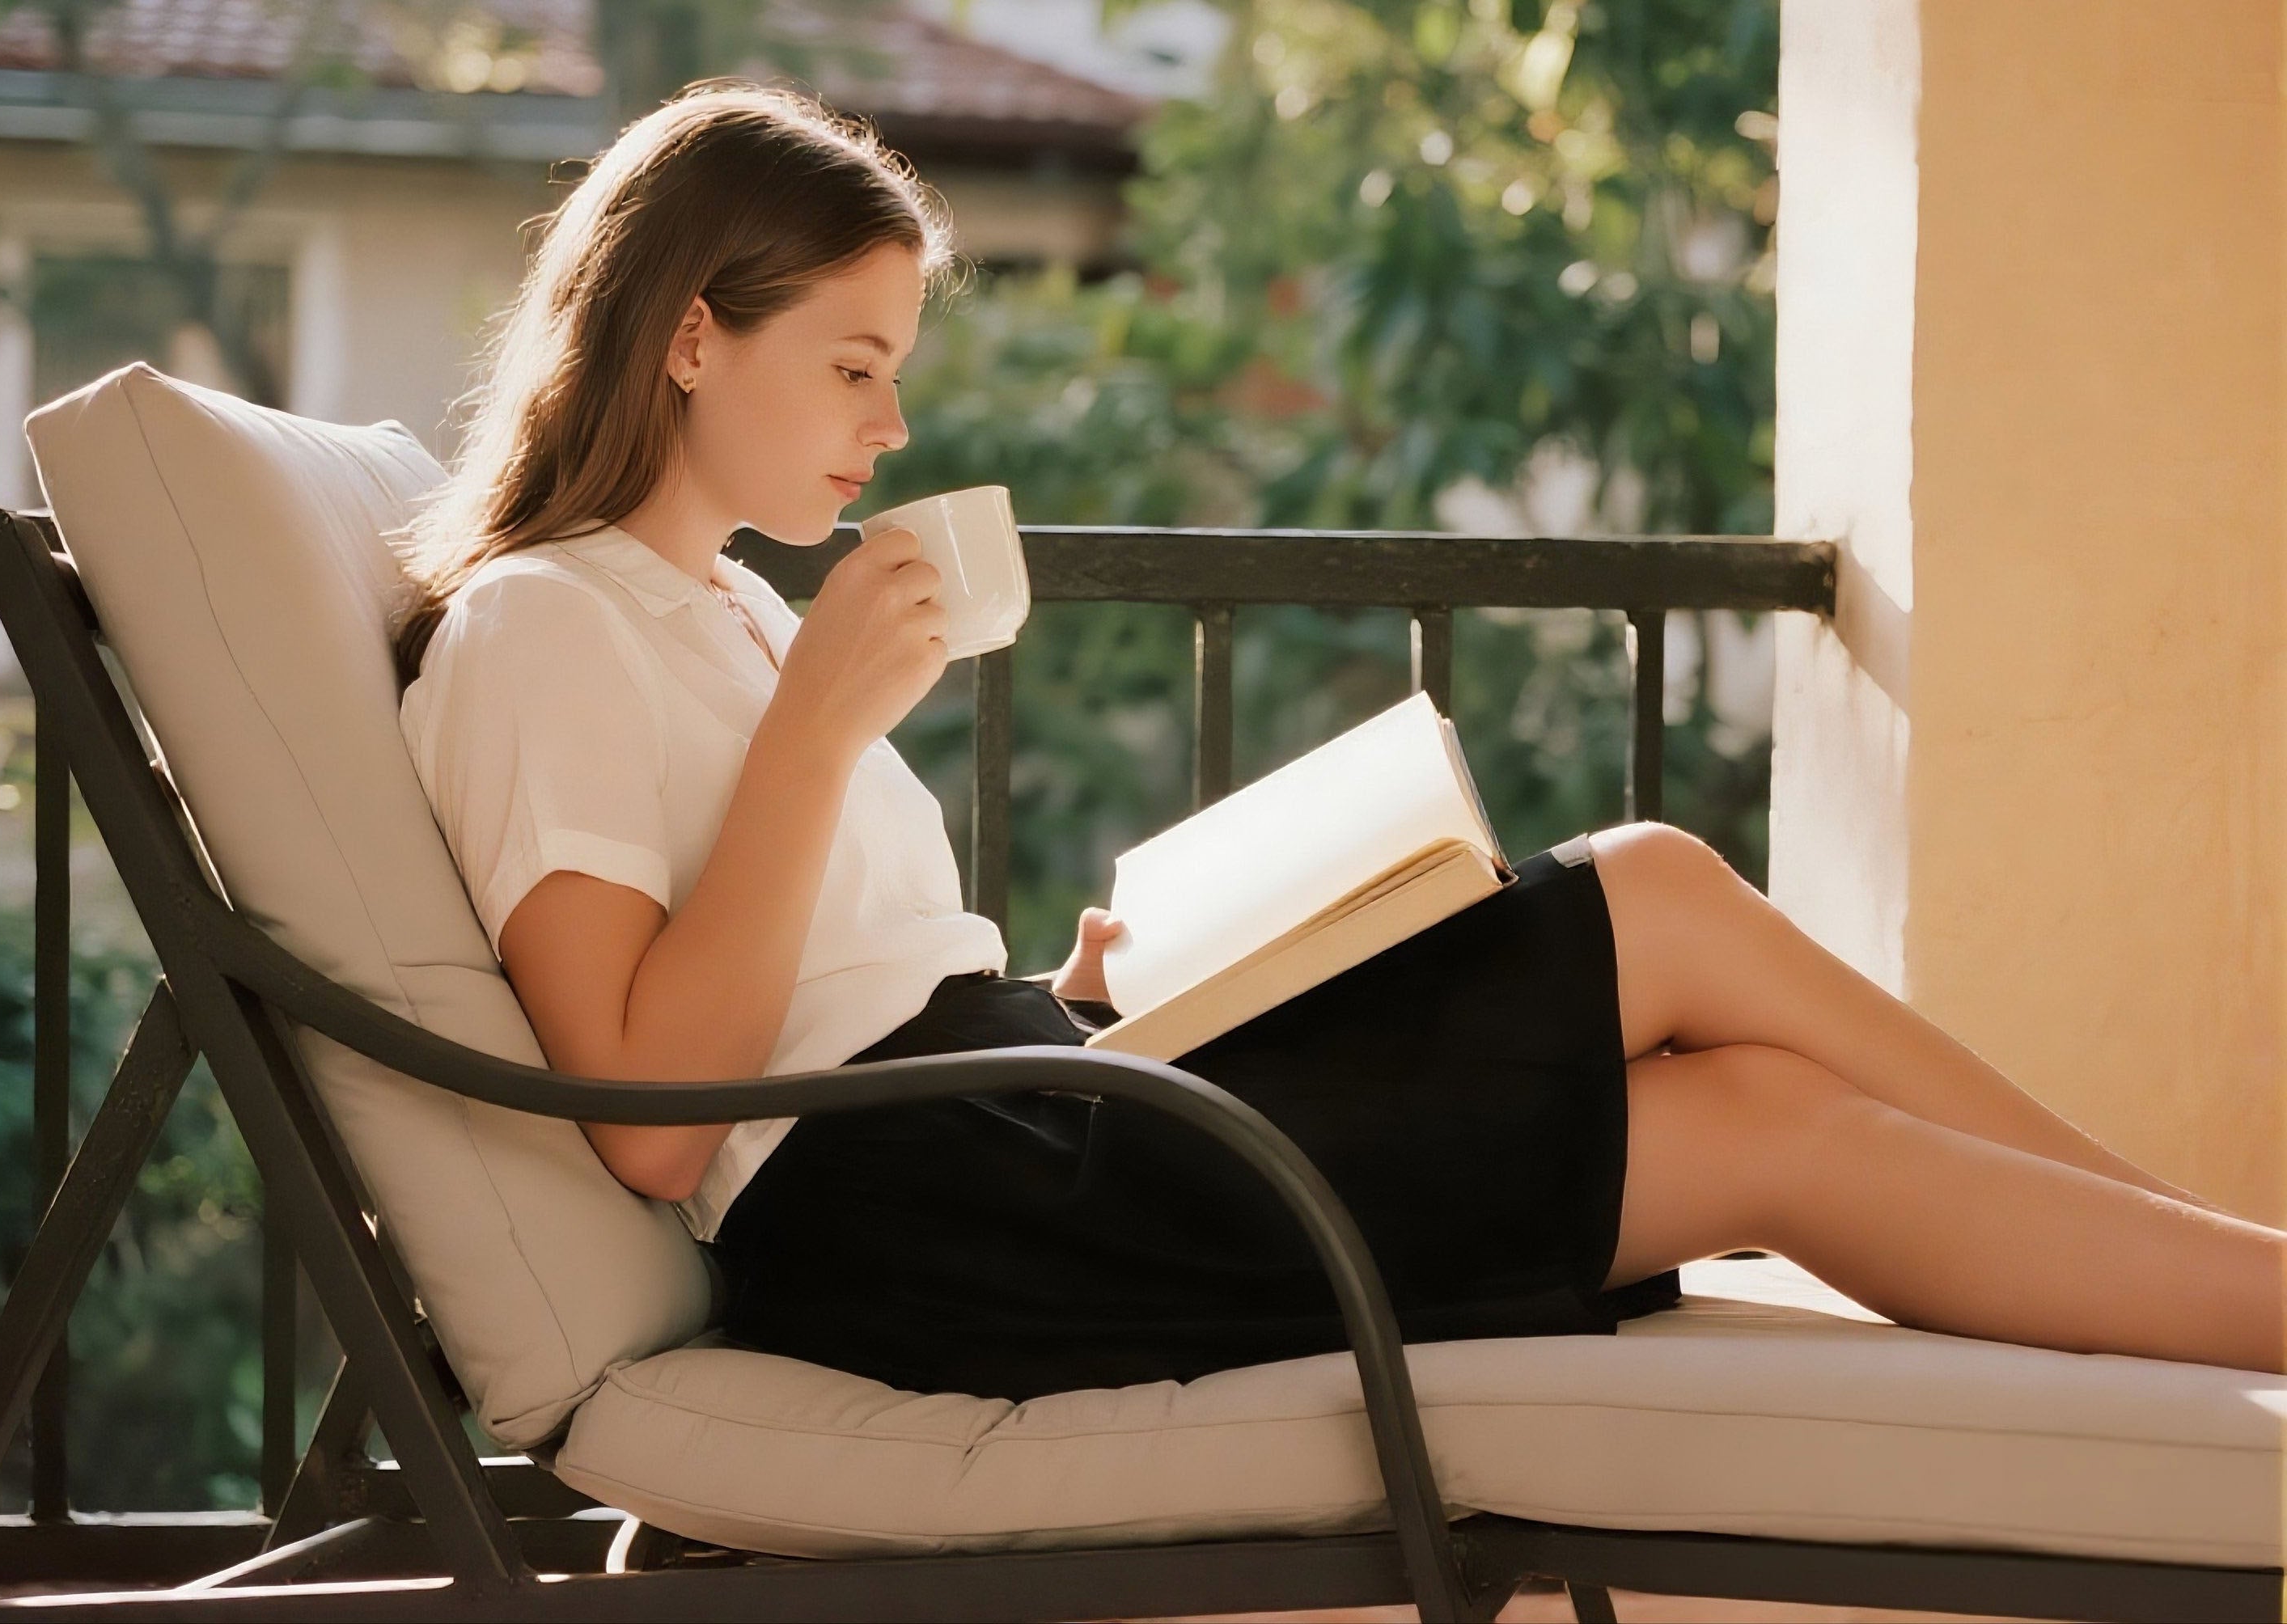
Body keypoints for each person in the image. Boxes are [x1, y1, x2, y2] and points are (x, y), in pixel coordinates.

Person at [393, 82, 2284, 1400]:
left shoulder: (722, 604)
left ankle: (2217, 1254)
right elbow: (648, 1117)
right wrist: (817, 736)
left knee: (1656, 882)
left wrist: (1082, 981)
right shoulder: (538, 626)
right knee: (1759, 1122)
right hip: (928, 1205)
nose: (887, 427)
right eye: (857, 366)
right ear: (692, 336)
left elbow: (828, 968)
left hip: (1019, 1085)